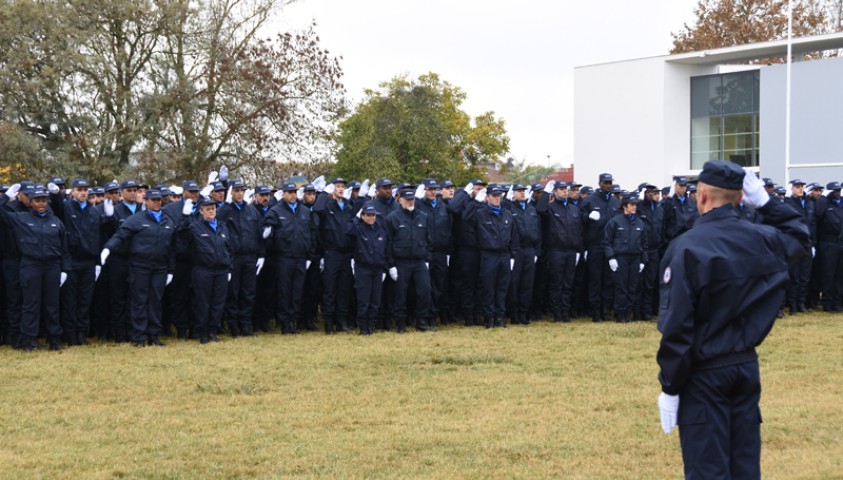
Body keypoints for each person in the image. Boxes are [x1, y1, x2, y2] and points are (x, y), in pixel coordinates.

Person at [657, 160, 809, 479]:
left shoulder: (687, 248)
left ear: (701, 196)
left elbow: (677, 327)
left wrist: (670, 387)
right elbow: (798, 237)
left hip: (704, 372)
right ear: (741, 199)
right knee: (744, 467)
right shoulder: (761, 238)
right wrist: (767, 204)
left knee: (708, 470)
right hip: (744, 366)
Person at [101, 189, 177, 347]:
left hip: (160, 267)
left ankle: (154, 335)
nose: (157, 202)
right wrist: (108, 248)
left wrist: (170, 269)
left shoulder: (167, 220)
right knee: (139, 301)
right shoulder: (136, 219)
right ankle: (139, 336)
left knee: (156, 301)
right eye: (153, 200)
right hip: (140, 266)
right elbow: (120, 235)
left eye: (159, 200)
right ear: (146, 201)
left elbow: (171, 247)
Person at [0, 185, 71, 351]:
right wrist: (5, 197)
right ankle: (28, 340)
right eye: (37, 200)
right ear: (30, 202)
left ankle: (54, 339)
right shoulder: (21, 218)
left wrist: (65, 270)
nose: (41, 203)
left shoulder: (55, 221)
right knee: (30, 304)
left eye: (44, 200)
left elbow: (65, 249)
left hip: (52, 266)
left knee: (52, 304)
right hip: (31, 265)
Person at [463, 185, 519, 328]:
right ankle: (489, 318)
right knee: (488, 288)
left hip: (505, 255)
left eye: (498, 196)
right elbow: (466, 218)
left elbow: (514, 235)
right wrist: (476, 201)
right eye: (493, 196)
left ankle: (500, 318)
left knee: (502, 288)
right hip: (488, 254)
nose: (496, 199)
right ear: (487, 197)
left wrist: (513, 255)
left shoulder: (507, 214)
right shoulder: (480, 213)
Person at [180, 198, 233, 343]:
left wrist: (229, 268)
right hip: (203, 270)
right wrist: (185, 217)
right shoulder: (195, 227)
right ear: (201, 211)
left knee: (218, 302)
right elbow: (182, 234)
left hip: (221, 270)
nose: (211, 211)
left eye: (213, 208)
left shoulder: (222, 227)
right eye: (208, 209)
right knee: (203, 303)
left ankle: (212, 331)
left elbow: (228, 248)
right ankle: (202, 332)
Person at [384, 188, 434, 333]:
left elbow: (429, 240)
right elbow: (388, 243)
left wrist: (427, 259)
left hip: (419, 261)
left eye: (412, 199)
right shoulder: (392, 218)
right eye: (407, 199)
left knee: (425, 290)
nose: (410, 202)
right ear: (400, 200)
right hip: (401, 262)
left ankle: (421, 321)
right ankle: (400, 323)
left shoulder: (423, 216)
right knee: (400, 293)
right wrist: (391, 265)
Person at [602, 194, 647, 323]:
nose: (635, 207)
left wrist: (643, 260)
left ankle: (628, 312)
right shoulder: (615, 221)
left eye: (636, 205)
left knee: (632, 287)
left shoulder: (639, 222)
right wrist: (611, 257)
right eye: (632, 205)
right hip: (620, 257)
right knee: (621, 287)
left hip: (635, 258)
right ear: (625, 206)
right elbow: (607, 242)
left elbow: (644, 244)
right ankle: (620, 313)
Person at [346, 205, 389, 335]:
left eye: (373, 215)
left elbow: (385, 250)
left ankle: (371, 325)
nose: (371, 218)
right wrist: (356, 218)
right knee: (363, 300)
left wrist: (385, 269)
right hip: (363, 268)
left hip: (377, 269)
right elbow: (348, 230)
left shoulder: (381, 230)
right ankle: (363, 327)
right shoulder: (358, 229)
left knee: (375, 301)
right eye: (368, 215)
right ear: (363, 216)